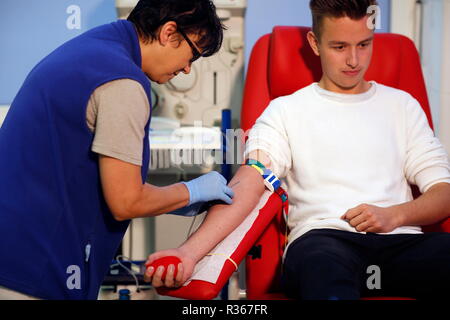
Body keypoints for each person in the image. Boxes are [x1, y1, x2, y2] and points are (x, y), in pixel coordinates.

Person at [144, 0, 450, 300]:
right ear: (315, 43)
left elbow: (443, 193)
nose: (354, 60)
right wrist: (188, 252)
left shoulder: (403, 107)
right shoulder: (284, 112)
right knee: (326, 278)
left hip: (402, 245)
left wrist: (395, 216)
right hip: (325, 242)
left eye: (364, 45)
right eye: (340, 47)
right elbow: (250, 182)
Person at [0, 0, 233, 300]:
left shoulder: (89, 50)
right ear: (169, 32)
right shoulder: (123, 82)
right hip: (32, 272)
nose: (187, 69)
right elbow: (125, 201)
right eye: (192, 55)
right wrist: (191, 191)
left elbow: (92, 176)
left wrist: (173, 201)